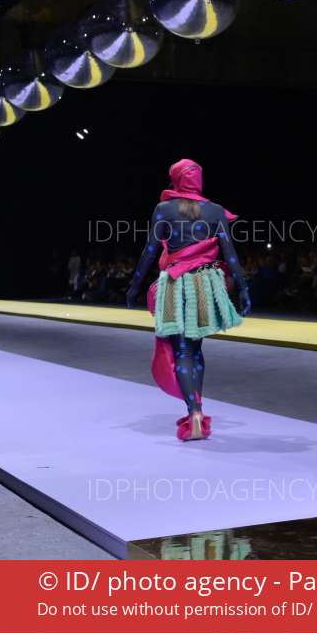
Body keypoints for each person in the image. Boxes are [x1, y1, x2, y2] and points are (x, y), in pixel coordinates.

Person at [126, 159, 250, 441]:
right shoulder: (215, 211)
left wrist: (134, 286)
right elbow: (230, 254)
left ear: (176, 179)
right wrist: (242, 288)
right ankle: (198, 409)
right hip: (205, 283)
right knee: (196, 348)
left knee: (181, 350)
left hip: (175, 284)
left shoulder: (164, 209)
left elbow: (149, 251)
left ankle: (194, 411)